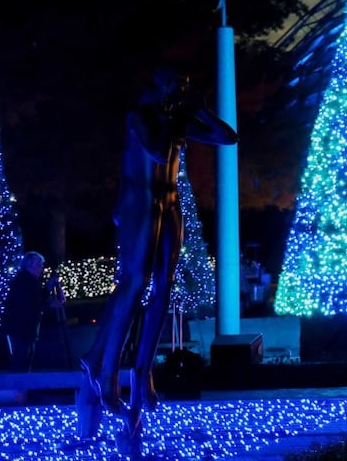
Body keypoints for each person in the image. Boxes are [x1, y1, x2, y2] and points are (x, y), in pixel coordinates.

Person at [78, 68, 237, 447]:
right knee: (134, 284)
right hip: (140, 203)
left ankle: (142, 368)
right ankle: (105, 372)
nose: (178, 95)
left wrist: (201, 111)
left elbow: (227, 137)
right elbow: (156, 149)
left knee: (164, 286)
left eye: (183, 89)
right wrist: (177, 117)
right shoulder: (142, 117)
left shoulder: (174, 118)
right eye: (174, 88)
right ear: (157, 87)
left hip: (169, 202)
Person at [2, 251, 65, 372]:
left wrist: (48, 288)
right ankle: (18, 388)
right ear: (28, 265)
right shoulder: (22, 282)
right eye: (38, 265)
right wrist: (50, 305)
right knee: (20, 363)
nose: (41, 267)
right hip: (18, 331)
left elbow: (36, 299)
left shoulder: (31, 281)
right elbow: (28, 305)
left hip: (26, 331)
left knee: (25, 362)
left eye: (41, 265)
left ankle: (23, 388)